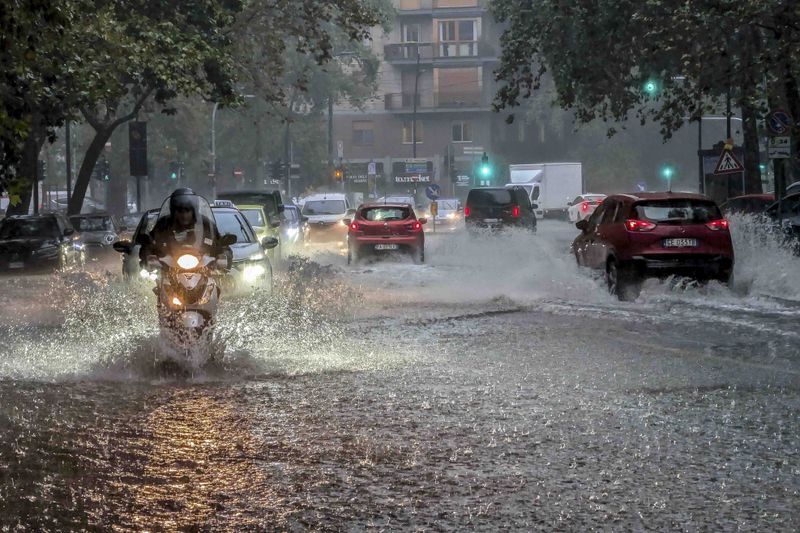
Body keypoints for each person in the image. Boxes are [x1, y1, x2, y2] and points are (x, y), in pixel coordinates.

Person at [140, 188, 226, 265]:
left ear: (194, 211)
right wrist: (150, 257)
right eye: (180, 211)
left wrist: (222, 257)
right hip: (168, 271)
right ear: (173, 211)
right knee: (149, 280)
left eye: (187, 211)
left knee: (224, 279)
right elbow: (149, 244)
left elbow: (220, 245)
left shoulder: (206, 224)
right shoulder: (163, 224)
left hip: (202, 270)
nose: (184, 215)